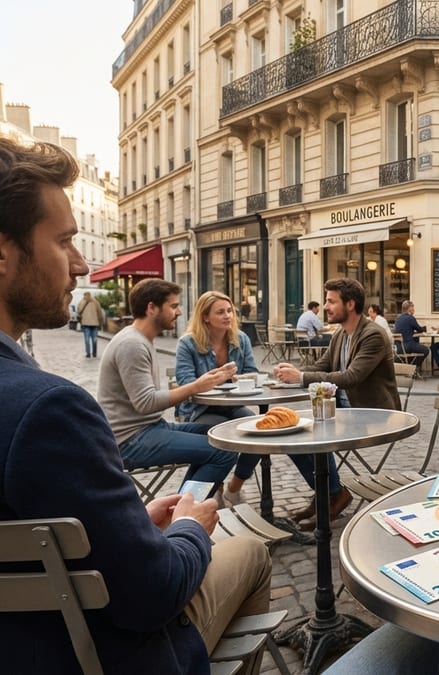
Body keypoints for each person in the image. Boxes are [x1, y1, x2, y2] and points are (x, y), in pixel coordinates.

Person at [0, 137, 272, 673]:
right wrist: (192, 527)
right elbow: (153, 592)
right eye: (64, 242)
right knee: (251, 547)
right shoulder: (47, 408)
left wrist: (126, 527)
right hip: (100, 653)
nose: (81, 264)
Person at [273, 278, 400, 528]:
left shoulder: (373, 334)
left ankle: (332, 496)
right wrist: (292, 372)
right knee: (289, 437)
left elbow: (351, 377)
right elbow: (323, 367)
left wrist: (300, 378)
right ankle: (329, 494)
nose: (326, 307)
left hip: (372, 414)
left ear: (350, 304)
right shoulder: (341, 333)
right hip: (342, 409)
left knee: (314, 434)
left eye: (331, 301)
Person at [99, 278, 239, 500]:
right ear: (152, 308)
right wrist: (196, 386)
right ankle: (182, 514)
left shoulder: (140, 340)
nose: (179, 312)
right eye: (173, 306)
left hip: (150, 428)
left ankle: (185, 503)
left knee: (220, 436)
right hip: (130, 440)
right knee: (223, 451)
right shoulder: (132, 344)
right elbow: (145, 403)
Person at [175, 290, 262, 506]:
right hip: (201, 410)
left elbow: (253, 372)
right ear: (205, 317)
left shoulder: (240, 339)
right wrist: (223, 377)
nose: (227, 316)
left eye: (229, 311)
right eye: (220, 312)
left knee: (260, 430)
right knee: (221, 433)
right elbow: (187, 382)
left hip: (233, 406)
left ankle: (234, 487)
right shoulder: (188, 343)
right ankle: (215, 486)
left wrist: (233, 378)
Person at [393, 300, 430, 369]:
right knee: (426, 350)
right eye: (413, 307)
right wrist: (426, 328)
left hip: (399, 347)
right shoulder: (410, 318)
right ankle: (414, 367)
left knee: (416, 348)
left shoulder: (398, 318)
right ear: (410, 308)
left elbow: (405, 330)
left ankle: (410, 367)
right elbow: (420, 329)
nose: (414, 309)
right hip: (408, 345)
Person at [77, 289, 103, 357]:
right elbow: (99, 313)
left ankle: (88, 353)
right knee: (94, 339)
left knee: (87, 339)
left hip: (85, 324)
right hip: (94, 324)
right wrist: (100, 321)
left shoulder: (82, 302)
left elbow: (79, 311)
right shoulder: (96, 302)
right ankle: (94, 353)